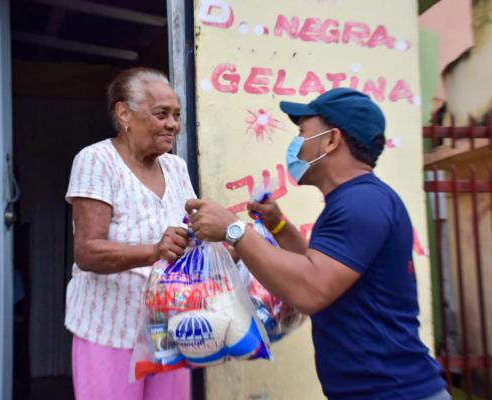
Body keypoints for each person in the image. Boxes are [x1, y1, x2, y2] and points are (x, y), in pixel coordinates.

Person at [185, 88, 449, 400]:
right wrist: (278, 226)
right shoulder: (357, 199)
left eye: (302, 132)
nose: (296, 143)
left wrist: (234, 230)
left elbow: (311, 290)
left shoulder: (361, 202)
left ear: (331, 140)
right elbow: (322, 268)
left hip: (392, 391)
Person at [64, 67, 194, 400]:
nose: (173, 125)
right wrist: (154, 250)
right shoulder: (96, 161)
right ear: (124, 113)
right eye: (161, 114)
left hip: (168, 327)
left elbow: (190, 233)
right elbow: (88, 252)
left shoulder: (176, 167)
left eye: (176, 115)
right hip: (111, 329)